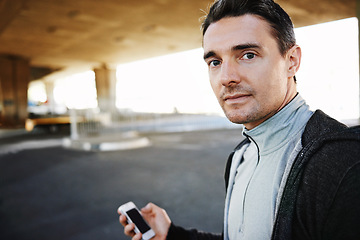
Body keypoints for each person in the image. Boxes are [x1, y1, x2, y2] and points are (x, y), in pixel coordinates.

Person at [118, 0, 360, 239]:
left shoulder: (344, 164)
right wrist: (172, 235)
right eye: (215, 62)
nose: (226, 77)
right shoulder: (240, 157)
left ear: (291, 61)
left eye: (248, 55)